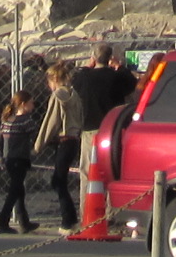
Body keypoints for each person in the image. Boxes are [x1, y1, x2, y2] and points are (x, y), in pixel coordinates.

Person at [66, 44, 138, 214]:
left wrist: (88, 65)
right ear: (110, 58)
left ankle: (87, 212)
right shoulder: (116, 77)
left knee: (86, 172)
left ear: (93, 58)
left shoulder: (84, 78)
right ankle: (111, 213)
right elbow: (131, 82)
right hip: (112, 130)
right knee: (112, 170)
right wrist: (119, 66)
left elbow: (75, 78)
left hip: (90, 129)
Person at [31, 61, 85, 228]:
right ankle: (70, 217)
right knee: (60, 179)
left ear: (53, 79)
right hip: (74, 139)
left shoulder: (57, 96)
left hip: (63, 140)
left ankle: (68, 219)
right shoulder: (74, 94)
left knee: (58, 181)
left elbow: (51, 122)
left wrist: (38, 146)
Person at [0, 82, 42, 233]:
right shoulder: (26, 121)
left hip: (8, 160)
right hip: (20, 160)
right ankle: (3, 222)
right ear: (23, 104)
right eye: (31, 103)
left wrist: (1, 157)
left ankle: (24, 222)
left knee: (19, 190)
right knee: (15, 191)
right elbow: (37, 135)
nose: (33, 106)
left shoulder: (7, 121)